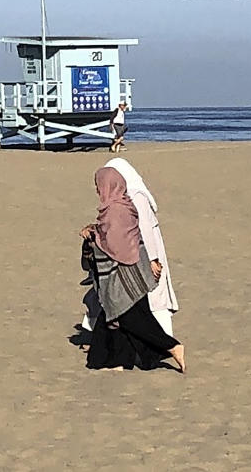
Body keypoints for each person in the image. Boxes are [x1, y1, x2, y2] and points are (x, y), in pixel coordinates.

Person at [80, 167, 186, 372]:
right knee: (116, 316)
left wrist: (93, 237)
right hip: (133, 270)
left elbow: (115, 245)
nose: (97, 189)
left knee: (132, 318)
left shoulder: (115, 211)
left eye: (98, 185)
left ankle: (171, 346)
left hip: (125, 274)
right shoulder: (122, 205)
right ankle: (117, 360)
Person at [105, 157, 179, 336]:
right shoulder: (120, 196)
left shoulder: (136, 195)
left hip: (146, 251)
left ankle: (167, 340)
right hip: (134, 249)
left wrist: (153, 259)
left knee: (155, 295)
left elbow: (145, 228)